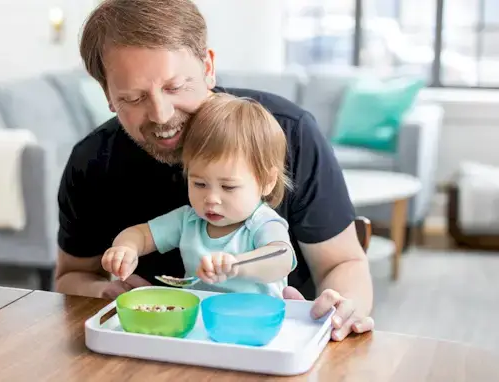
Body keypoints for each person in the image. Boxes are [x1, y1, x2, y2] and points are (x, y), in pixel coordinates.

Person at [55, 0, 374, 342]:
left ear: (208, 66)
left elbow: (343, 264)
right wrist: (105, 292)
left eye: (175, 87)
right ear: (108, 95)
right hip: (151, 343)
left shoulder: (286, 134)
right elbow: (69, 277)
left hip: (273, 339)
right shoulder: (91, 162)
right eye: (133, 98)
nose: (161, 115)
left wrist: (341, 309)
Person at [101, 93, 297, 298]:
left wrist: (236, 265)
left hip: (256, 324)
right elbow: (141, 235)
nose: (211, 198)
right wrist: (126, 249)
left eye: (228, 187)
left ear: (267, 181)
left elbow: (281, 258)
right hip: (199, 322)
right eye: (199, 184)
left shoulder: (262, 223)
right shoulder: (189, 220)